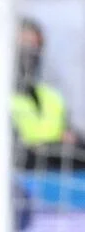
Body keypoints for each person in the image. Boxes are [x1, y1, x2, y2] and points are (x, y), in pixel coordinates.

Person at [12, 17, 85, 170]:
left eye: (35, 46)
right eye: (24, 45)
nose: (30, 53)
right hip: (22, 173)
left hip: (56, 172)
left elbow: (71, 137)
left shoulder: (51, 97)